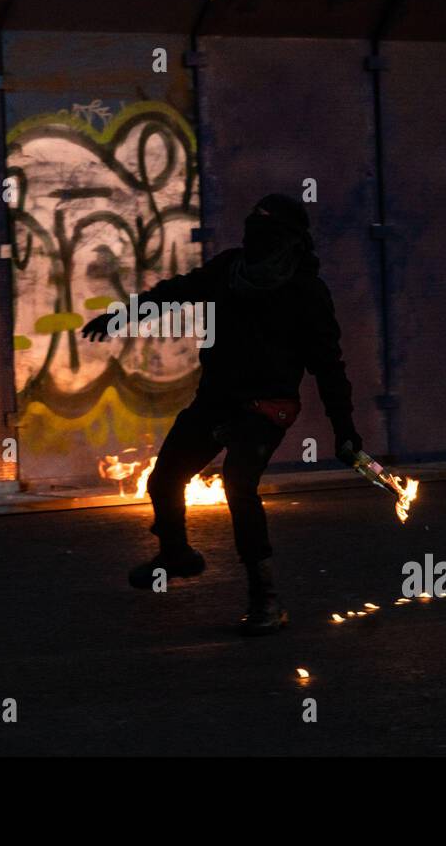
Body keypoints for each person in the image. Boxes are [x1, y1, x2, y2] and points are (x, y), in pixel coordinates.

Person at [81, 193, 364, 635]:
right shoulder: (229, 270)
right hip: (217, 399)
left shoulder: (305, 292)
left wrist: (344, 431)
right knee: (164, 478)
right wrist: (122, 316)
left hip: (269, 406)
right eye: (253, 227)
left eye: (267, 230)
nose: (255, 238)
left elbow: (329, 367)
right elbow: (176, 292)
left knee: (238, 482)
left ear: (289, 240)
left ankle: (267, 598)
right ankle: (175, 554)